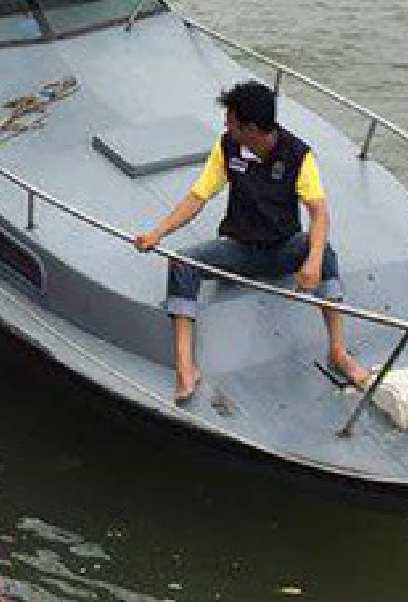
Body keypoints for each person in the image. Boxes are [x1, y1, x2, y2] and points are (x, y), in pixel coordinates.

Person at [133, 81, 373, 404]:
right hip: (239, 250)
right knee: (181, 263)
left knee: (324, 251)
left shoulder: (299, 156)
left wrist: (313, 259)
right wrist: (158, 233)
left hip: (282, 248)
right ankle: (185, 366)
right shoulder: (227, 148)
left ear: (253, 129)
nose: (225, 126)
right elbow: (198, 196)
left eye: (231, 122)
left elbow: (319, 213)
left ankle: (337, 351)